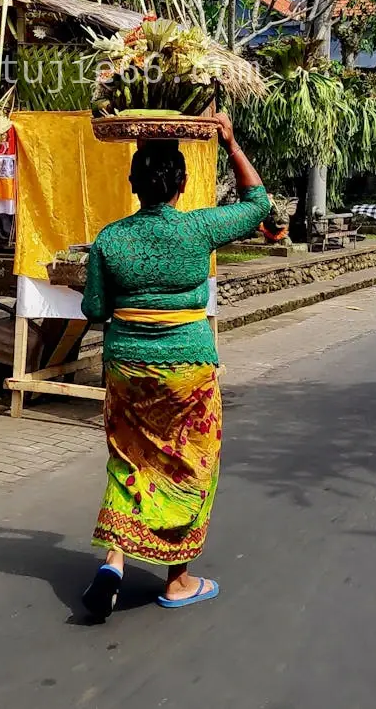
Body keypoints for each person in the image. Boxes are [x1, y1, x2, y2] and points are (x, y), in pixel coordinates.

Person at [80, 111, 270, 619]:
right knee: (187, 463)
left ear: (133, 183)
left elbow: (95, 309)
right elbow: (259, 204)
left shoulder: (110, 238)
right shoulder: (199, 227)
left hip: (127, 366)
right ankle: (178, 581)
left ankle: (114, 562)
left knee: (130, 460)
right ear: (183, 184)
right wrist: (230, 142)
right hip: (187, 366)